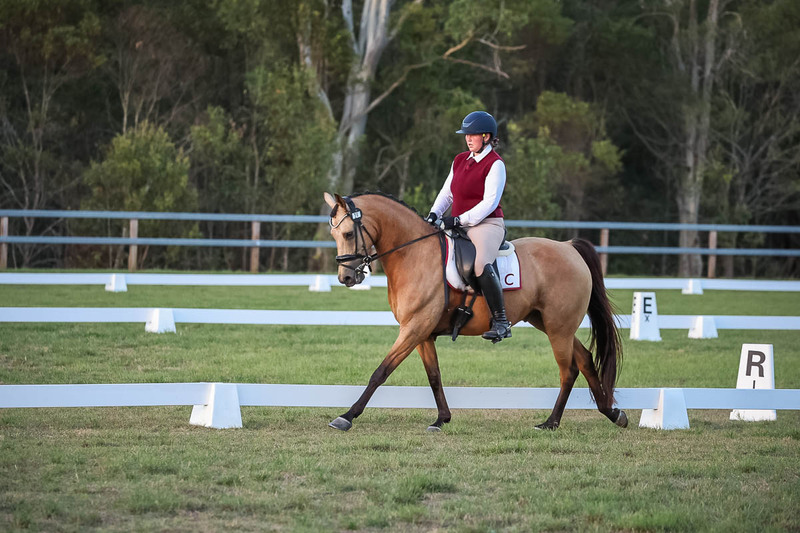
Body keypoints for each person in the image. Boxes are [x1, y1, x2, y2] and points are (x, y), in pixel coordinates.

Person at [425, 111, 511, 342]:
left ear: (486, 136)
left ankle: (501, 321)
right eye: (466, 135)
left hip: (487, 224)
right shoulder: (460, 159)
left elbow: (489, 202)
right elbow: (447, 193)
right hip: (458, 224)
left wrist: (458, 220)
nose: (468, 139)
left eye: (472, 135)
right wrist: (434, 213)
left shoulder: (496, 165)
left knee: (481, 263)